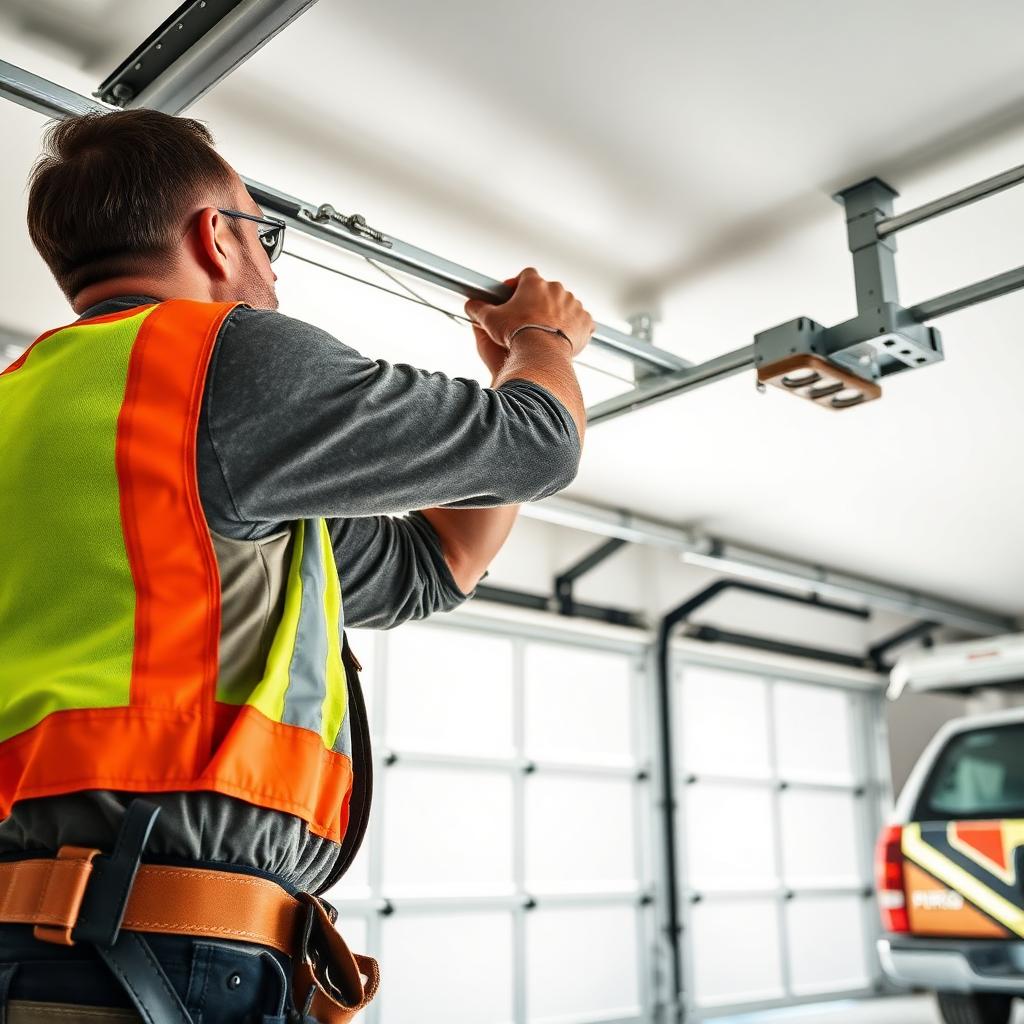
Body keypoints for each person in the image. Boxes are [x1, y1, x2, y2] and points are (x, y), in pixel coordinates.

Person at [0, 109, 594, 1023]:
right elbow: (540, 444)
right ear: (215, 236)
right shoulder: (218, 362)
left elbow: (434, 563)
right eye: (262, 234)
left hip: (68, 945)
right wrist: (540, 342)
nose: (269, 267)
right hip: (149, 956)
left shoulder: (36, 413)